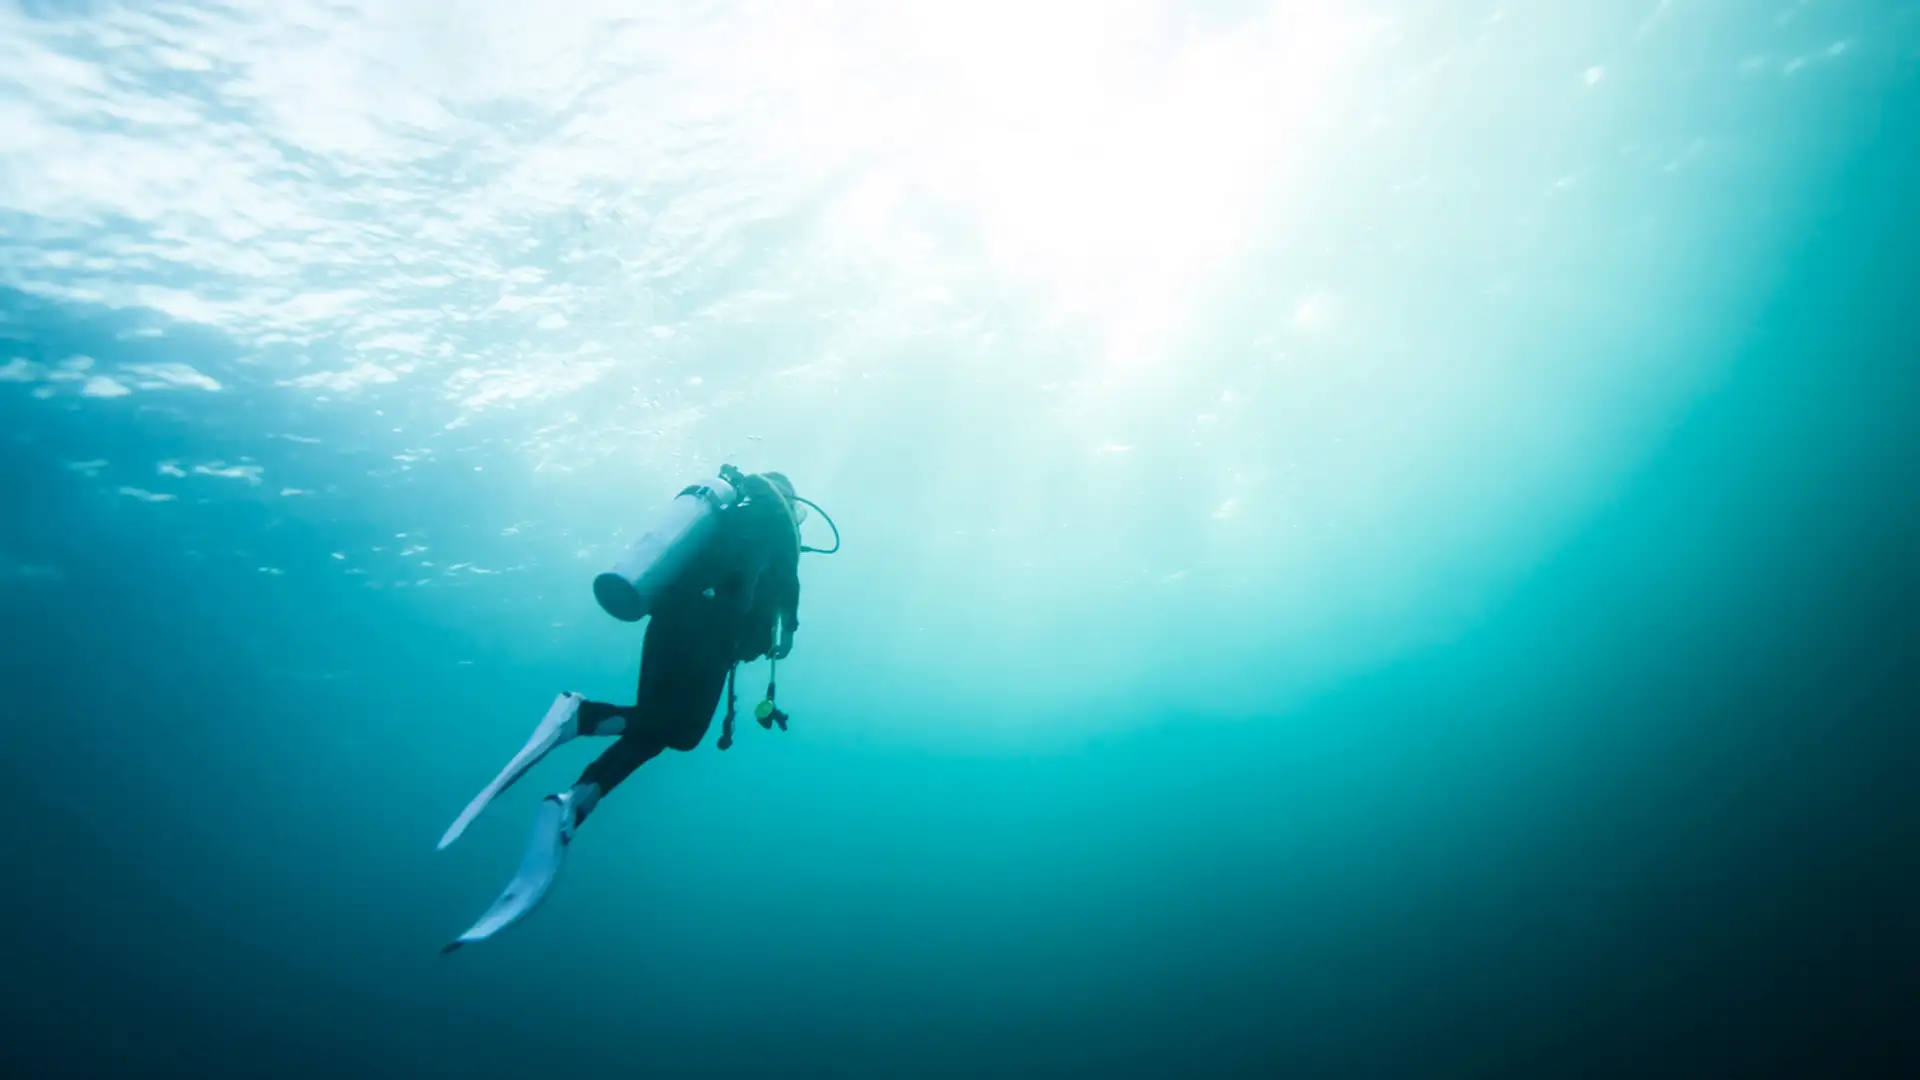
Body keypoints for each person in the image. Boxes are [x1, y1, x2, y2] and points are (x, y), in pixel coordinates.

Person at [438, 467, 820, 951]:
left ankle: (579, 798)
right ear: (790, 498)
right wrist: (789, 631)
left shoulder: (727, 522)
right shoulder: (777, 519)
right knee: (681, 734)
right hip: (711, 639)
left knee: (654, 726)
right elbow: (787, 582)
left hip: (668, 622)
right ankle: (583, 719)